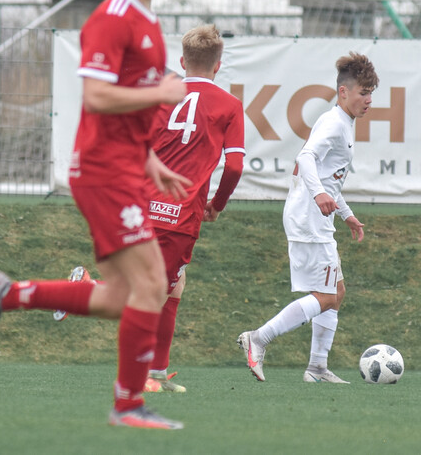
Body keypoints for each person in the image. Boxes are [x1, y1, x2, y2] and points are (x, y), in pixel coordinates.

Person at [0, 0, 191, 430]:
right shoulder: (111, 18)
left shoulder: (149, 22)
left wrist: (151, 160)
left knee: (118, 299)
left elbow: (127, 111)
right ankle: (128, 406)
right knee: (153, 284)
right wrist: (162, 92)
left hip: (126, 169)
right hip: (103, 173)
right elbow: (96, 95)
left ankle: (9, 293)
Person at [237, 52, 377, 384]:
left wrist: (347, 215)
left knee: (337, 291)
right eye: (362, 92)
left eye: (371, 92)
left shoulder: (342, 122)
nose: (368, 99)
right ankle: (259, 338)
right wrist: (319, 196)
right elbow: (307, 158)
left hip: (316, 217)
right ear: (343, 92)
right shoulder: (333, 122)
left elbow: (330, 178)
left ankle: (317, 367)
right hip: (308, 219)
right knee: (327, 296)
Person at [133, 23, 246, 393]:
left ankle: (158, 374)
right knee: (154, 291)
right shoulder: (229, 106)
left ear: (182, 61)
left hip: (144, 205)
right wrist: (218, 204)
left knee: (174, 286)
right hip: (178, 215)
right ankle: (84, 288)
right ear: (218, 65)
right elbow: (234, 166)